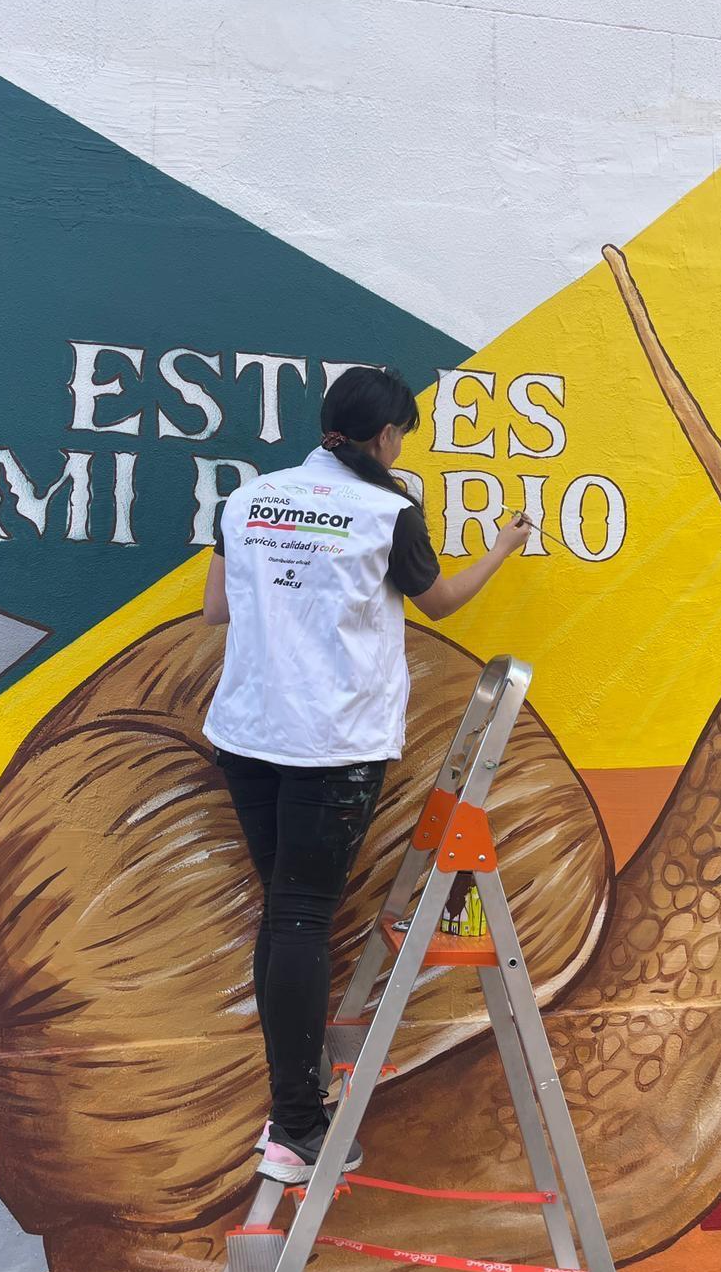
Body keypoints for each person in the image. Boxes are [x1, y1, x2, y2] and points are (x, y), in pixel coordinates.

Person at [201, 365, 531, 1184]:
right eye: (402, 436)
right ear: (385, 438)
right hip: (331, 744)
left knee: (285, 917)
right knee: (301, 921)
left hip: (247, 735)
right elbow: (443, 603)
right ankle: (295, 1126)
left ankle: (289, 1110)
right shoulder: (388, 511)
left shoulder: (247, 500)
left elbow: (217, 609)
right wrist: (503, 548)